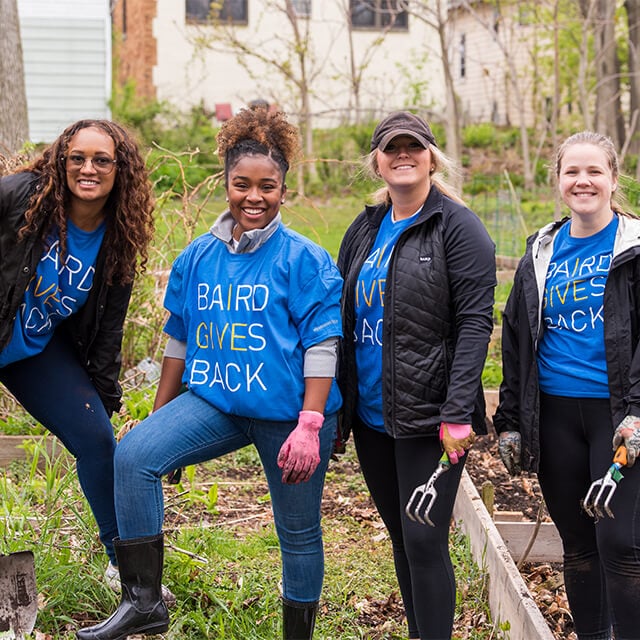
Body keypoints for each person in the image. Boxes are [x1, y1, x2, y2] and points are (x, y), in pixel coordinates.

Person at [75, 106, 343, 640]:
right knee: (133, 456)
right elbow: (178, 341)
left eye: (268, 186)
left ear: (284, 190)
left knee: (297, 532)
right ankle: (145, 602)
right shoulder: (198, 257)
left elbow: (322, 344)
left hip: (289, 417)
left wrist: (310, 423)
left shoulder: (304, 259)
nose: (254, 197)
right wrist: (160, 418)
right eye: (242, 184)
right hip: (218, 403)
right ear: (226, 184)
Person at [336, 111, 496, 640]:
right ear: (377, 161)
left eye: (414, 147)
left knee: (425, 539)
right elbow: (342, 317)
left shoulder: (457, 225)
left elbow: (476, 323)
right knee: (402, 538)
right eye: (391, 148)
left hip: (432, 416)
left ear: (431, 156)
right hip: (373, 414)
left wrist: (456, 413)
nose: (403, 156)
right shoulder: (365, 227)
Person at [494, 131, 640, 640]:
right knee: (577, 543)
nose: (584, 181)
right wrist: (509, 419)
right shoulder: (541, 250)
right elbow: (515, 337)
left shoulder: (634, 248)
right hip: (555, 415)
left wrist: (639, 411)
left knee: (620, 542)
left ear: (613, 180)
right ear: (557, 181)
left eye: (594, 171)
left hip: (619, 417)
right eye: (572, 172)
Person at [0, 120, 155, 582]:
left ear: (119, 168)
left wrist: (101, 403)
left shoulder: (118, 238)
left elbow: (108, 334)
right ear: (62, 162)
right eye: (78, 158)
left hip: (32, 351)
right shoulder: (21, 196)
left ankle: (124, 569)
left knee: (96, 441)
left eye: (101, 159)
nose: (88, 169)